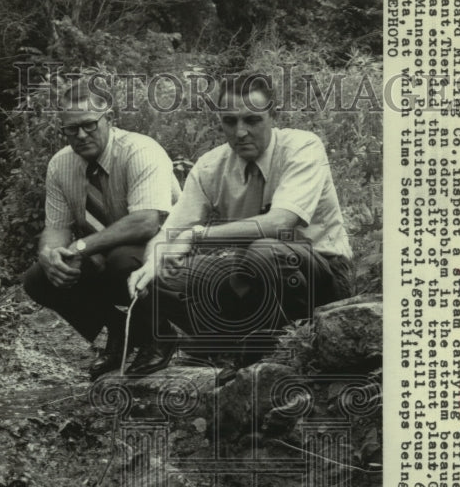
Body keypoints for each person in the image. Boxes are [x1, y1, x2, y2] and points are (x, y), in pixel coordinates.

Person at [126, 73, 355, 377]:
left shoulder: (303, 147)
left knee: (265, 253)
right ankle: (226, 342)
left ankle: (257, 359)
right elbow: (169, 232)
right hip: (251, 277)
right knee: (159, 276)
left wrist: (197, 237)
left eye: (252, 120)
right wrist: (151, 262)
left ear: (273, 115)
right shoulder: (211, 165)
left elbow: (280, 222)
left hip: (319, 274)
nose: (241, 132)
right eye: (230, 121)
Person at [22, 79, 181, 379]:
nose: (81, 135)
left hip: (170, 256)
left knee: (122, 258)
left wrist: (81, 247)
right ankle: (122, 332)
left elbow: (146, 221)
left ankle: (160, 335)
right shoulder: (60, 165)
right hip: (110, 260)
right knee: (39, 277)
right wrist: (49, 255)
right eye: (72, 129)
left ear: (109, 119)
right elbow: (55, 228)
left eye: (89, 125)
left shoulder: (140, 150)